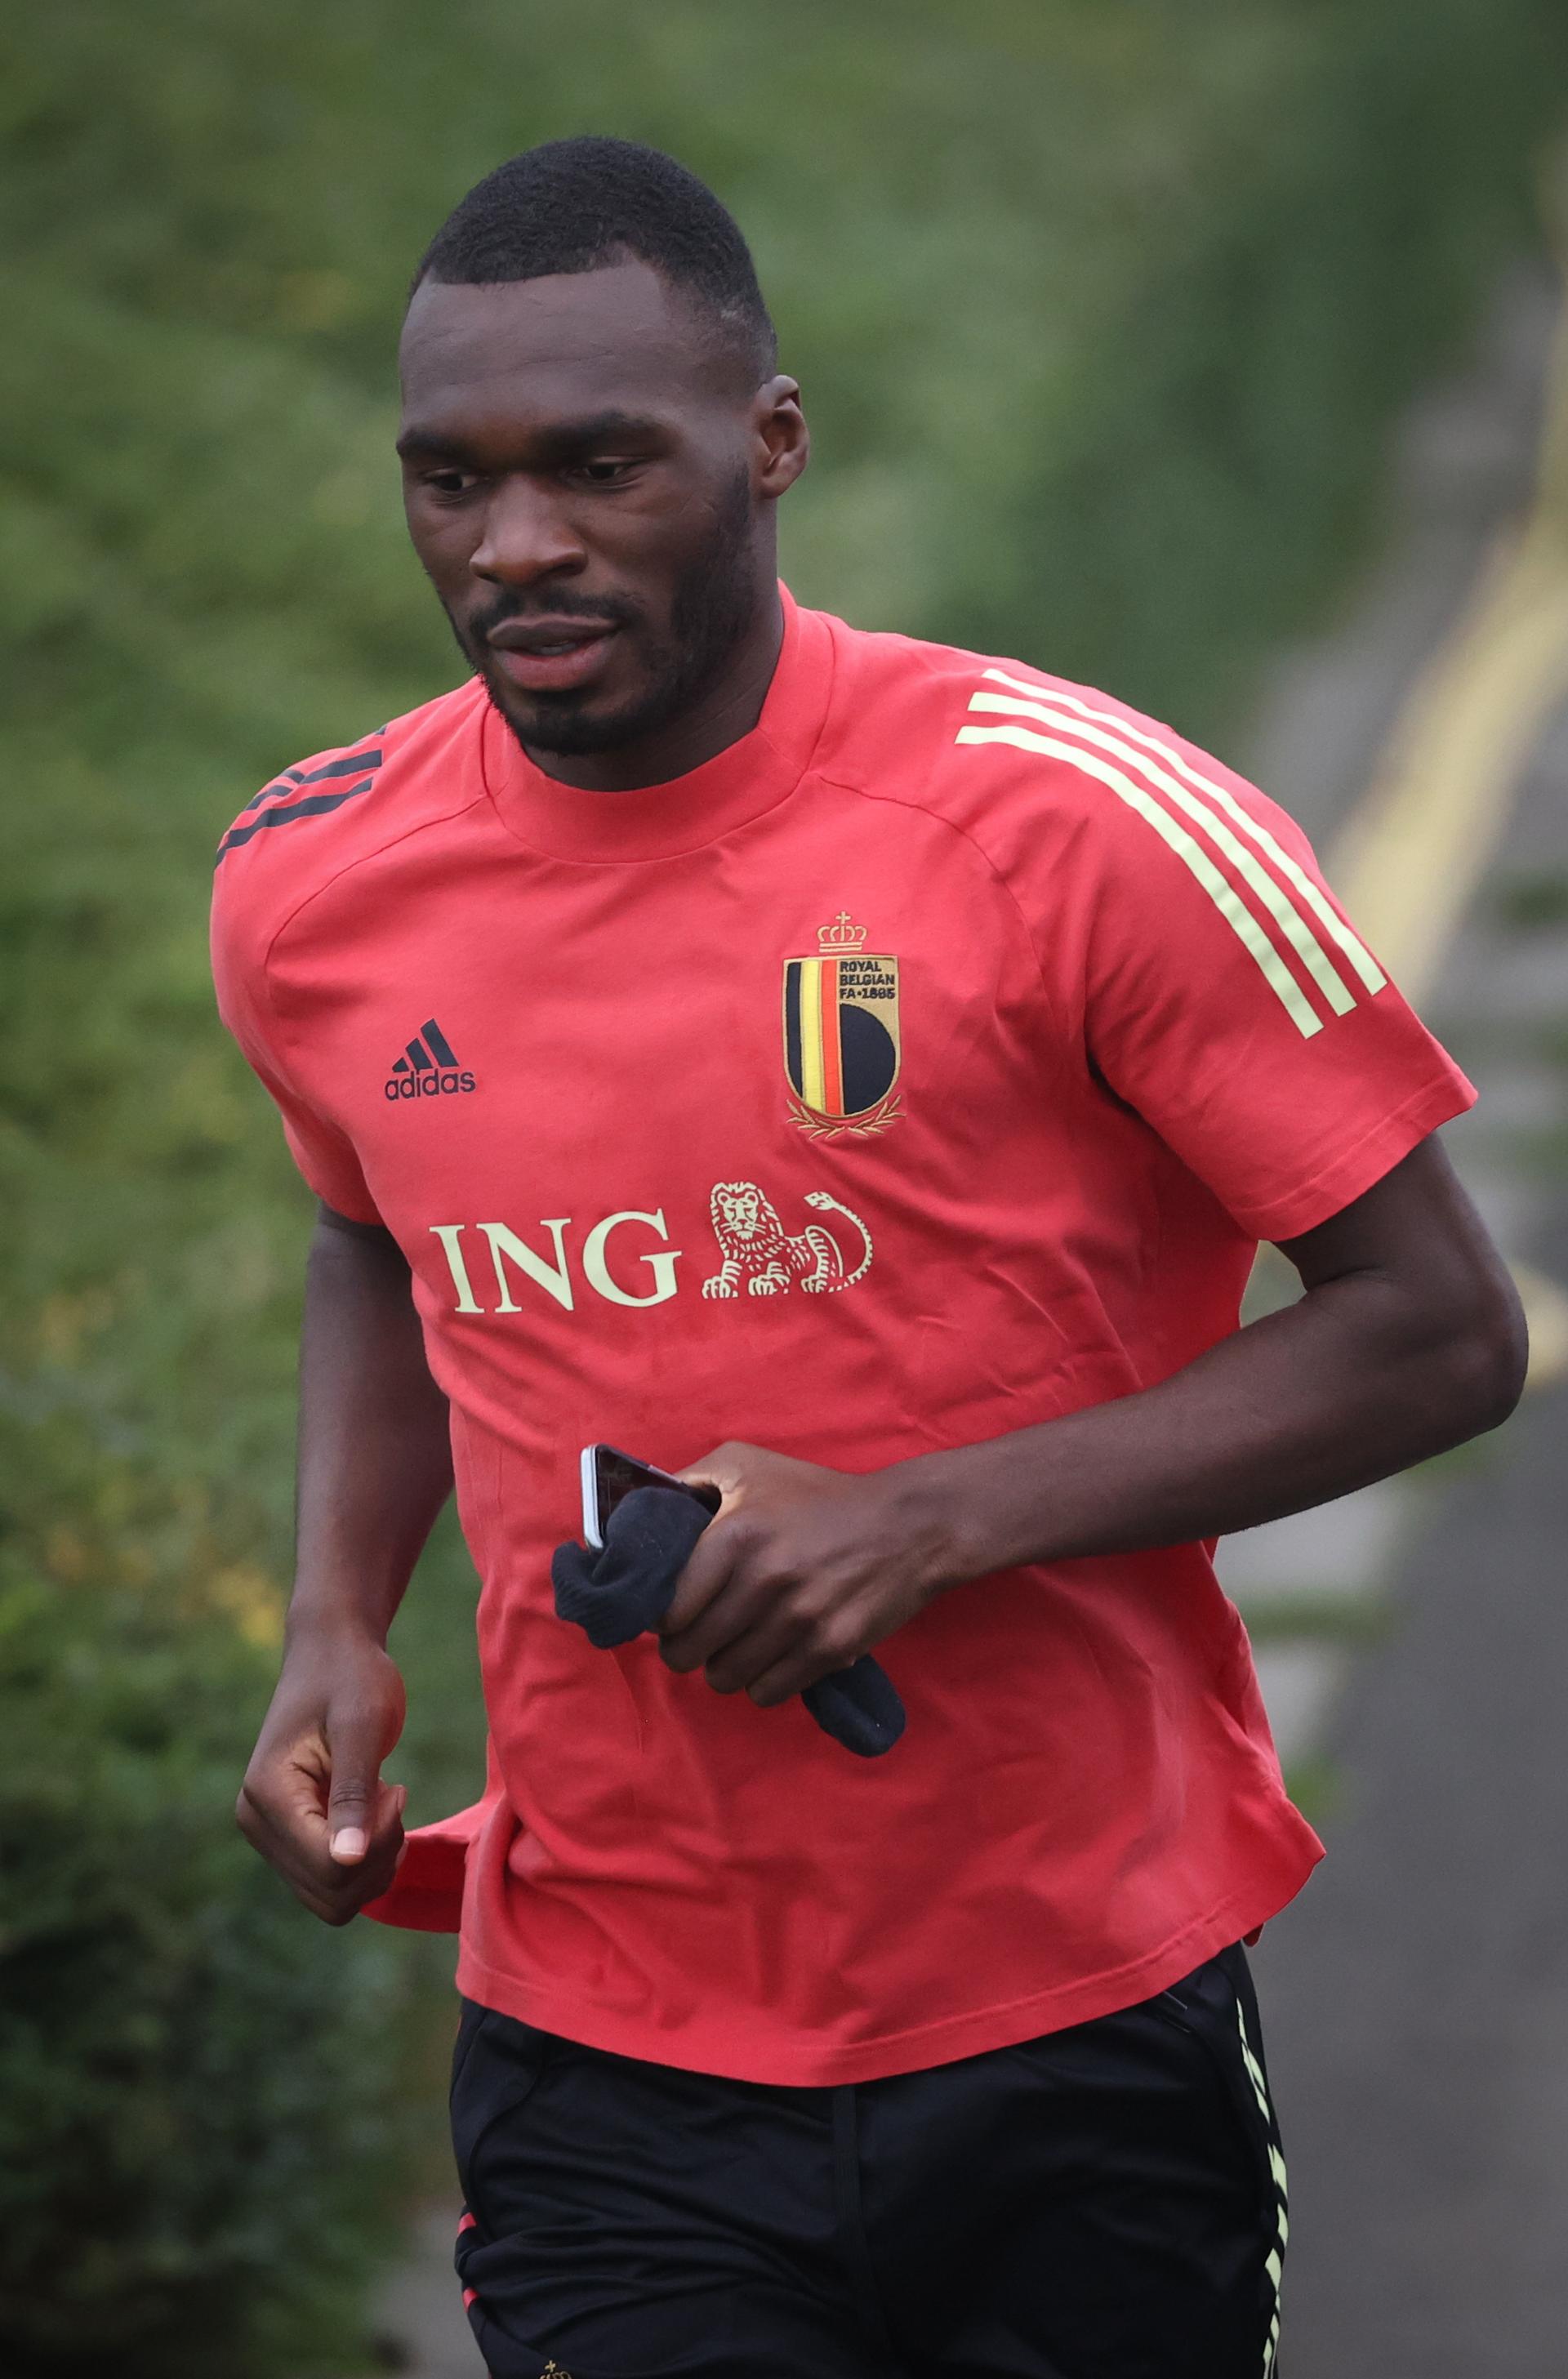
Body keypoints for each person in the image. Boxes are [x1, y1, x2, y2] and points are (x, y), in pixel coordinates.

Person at [212, 136, 1526, 2379]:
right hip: (604, 2035)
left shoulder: (1086, 822)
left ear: (773, 445)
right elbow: (370, 1227)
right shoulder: (311, 883)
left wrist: (923, 1517)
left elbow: (1441, 1331)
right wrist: (337, 1609)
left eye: (602, 466)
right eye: (451, 483)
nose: (517, 547)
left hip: (1072, 2006)